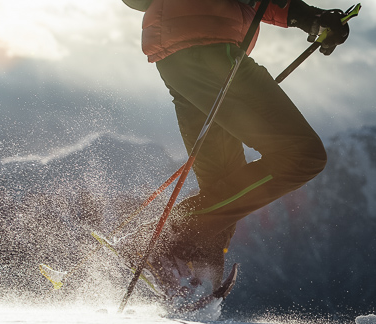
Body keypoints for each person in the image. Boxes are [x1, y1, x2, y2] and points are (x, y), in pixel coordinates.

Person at [119, 0, 350, 294]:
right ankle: (165, 240)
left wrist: (312, 19)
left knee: (224, 180)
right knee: (302, 155)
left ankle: (195, 275)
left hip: (178, 54)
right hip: (211, 49)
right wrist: (310, 17)